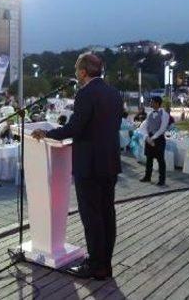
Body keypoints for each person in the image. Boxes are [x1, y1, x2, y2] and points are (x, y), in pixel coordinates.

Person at [31, 52, 122, 280]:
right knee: (107, 214)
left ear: (83, 72)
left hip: (89, 165)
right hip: (109, 163)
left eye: (75, 69)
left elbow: (75, 128)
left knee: (91, 216)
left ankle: (95, 265)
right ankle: (105, 264)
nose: (75, 73)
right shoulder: (114, 93)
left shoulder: (85, 93)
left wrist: (47, 133)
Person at [139, 96, 169, 186]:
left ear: (157, 103)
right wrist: (147, 137)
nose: (150, 103)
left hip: (159, 139)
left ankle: (162, 180)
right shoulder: (149, 113)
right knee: (149, 159)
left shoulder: (164, 114)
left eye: (152, 102)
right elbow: (143, 127)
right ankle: (147, 177)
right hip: (149, 138)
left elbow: (162, 128)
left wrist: (153, 138)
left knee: (160, 160)